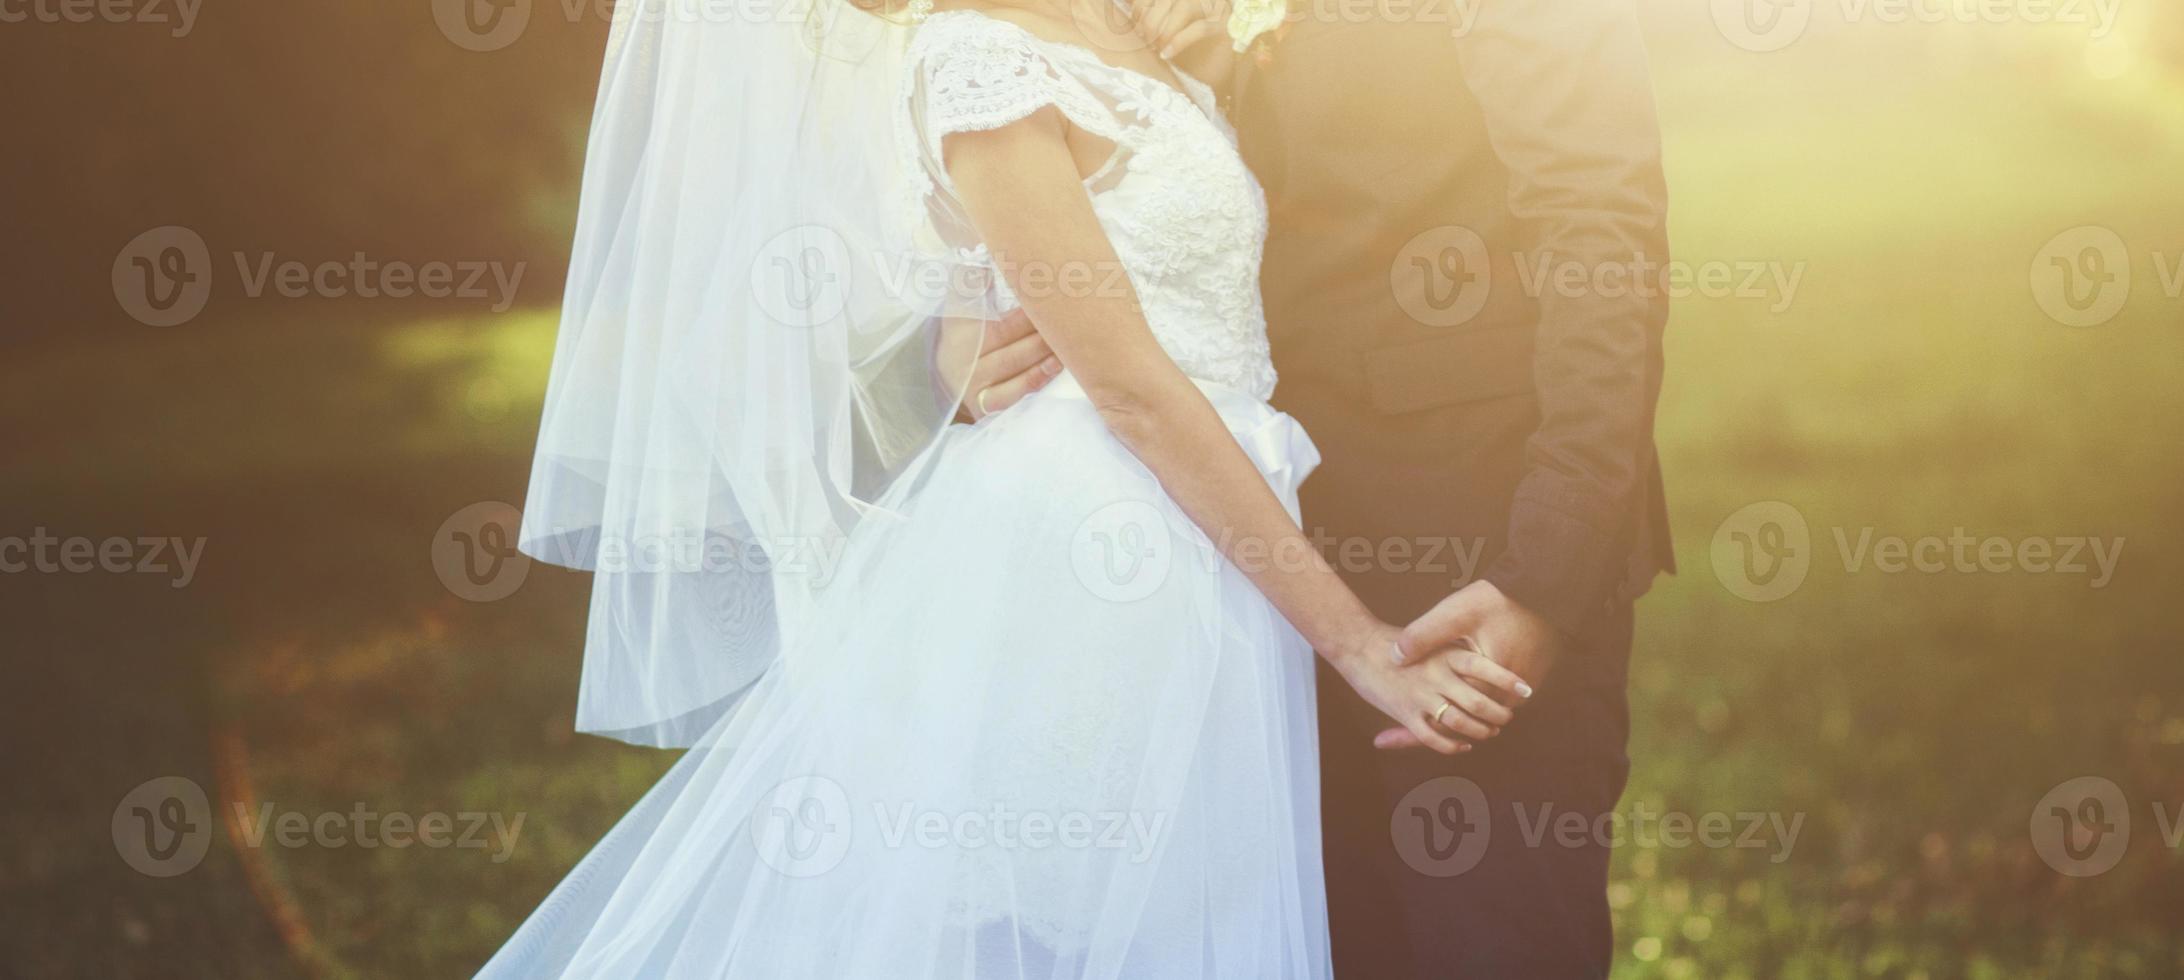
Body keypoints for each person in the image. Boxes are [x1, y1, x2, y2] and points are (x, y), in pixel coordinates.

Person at [480, 0, 1527, 975]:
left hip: (1214, 545)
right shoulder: (976, 54)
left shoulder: (1111, 22)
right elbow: (1128, 384)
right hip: (1093, 556)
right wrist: (1354, 643)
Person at [956, 0, 1675, 974]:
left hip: (1468, 554)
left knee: (1493, 937)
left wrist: (1545, 570)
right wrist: (955, 349)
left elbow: (1599, 232)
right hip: (1241, 584)